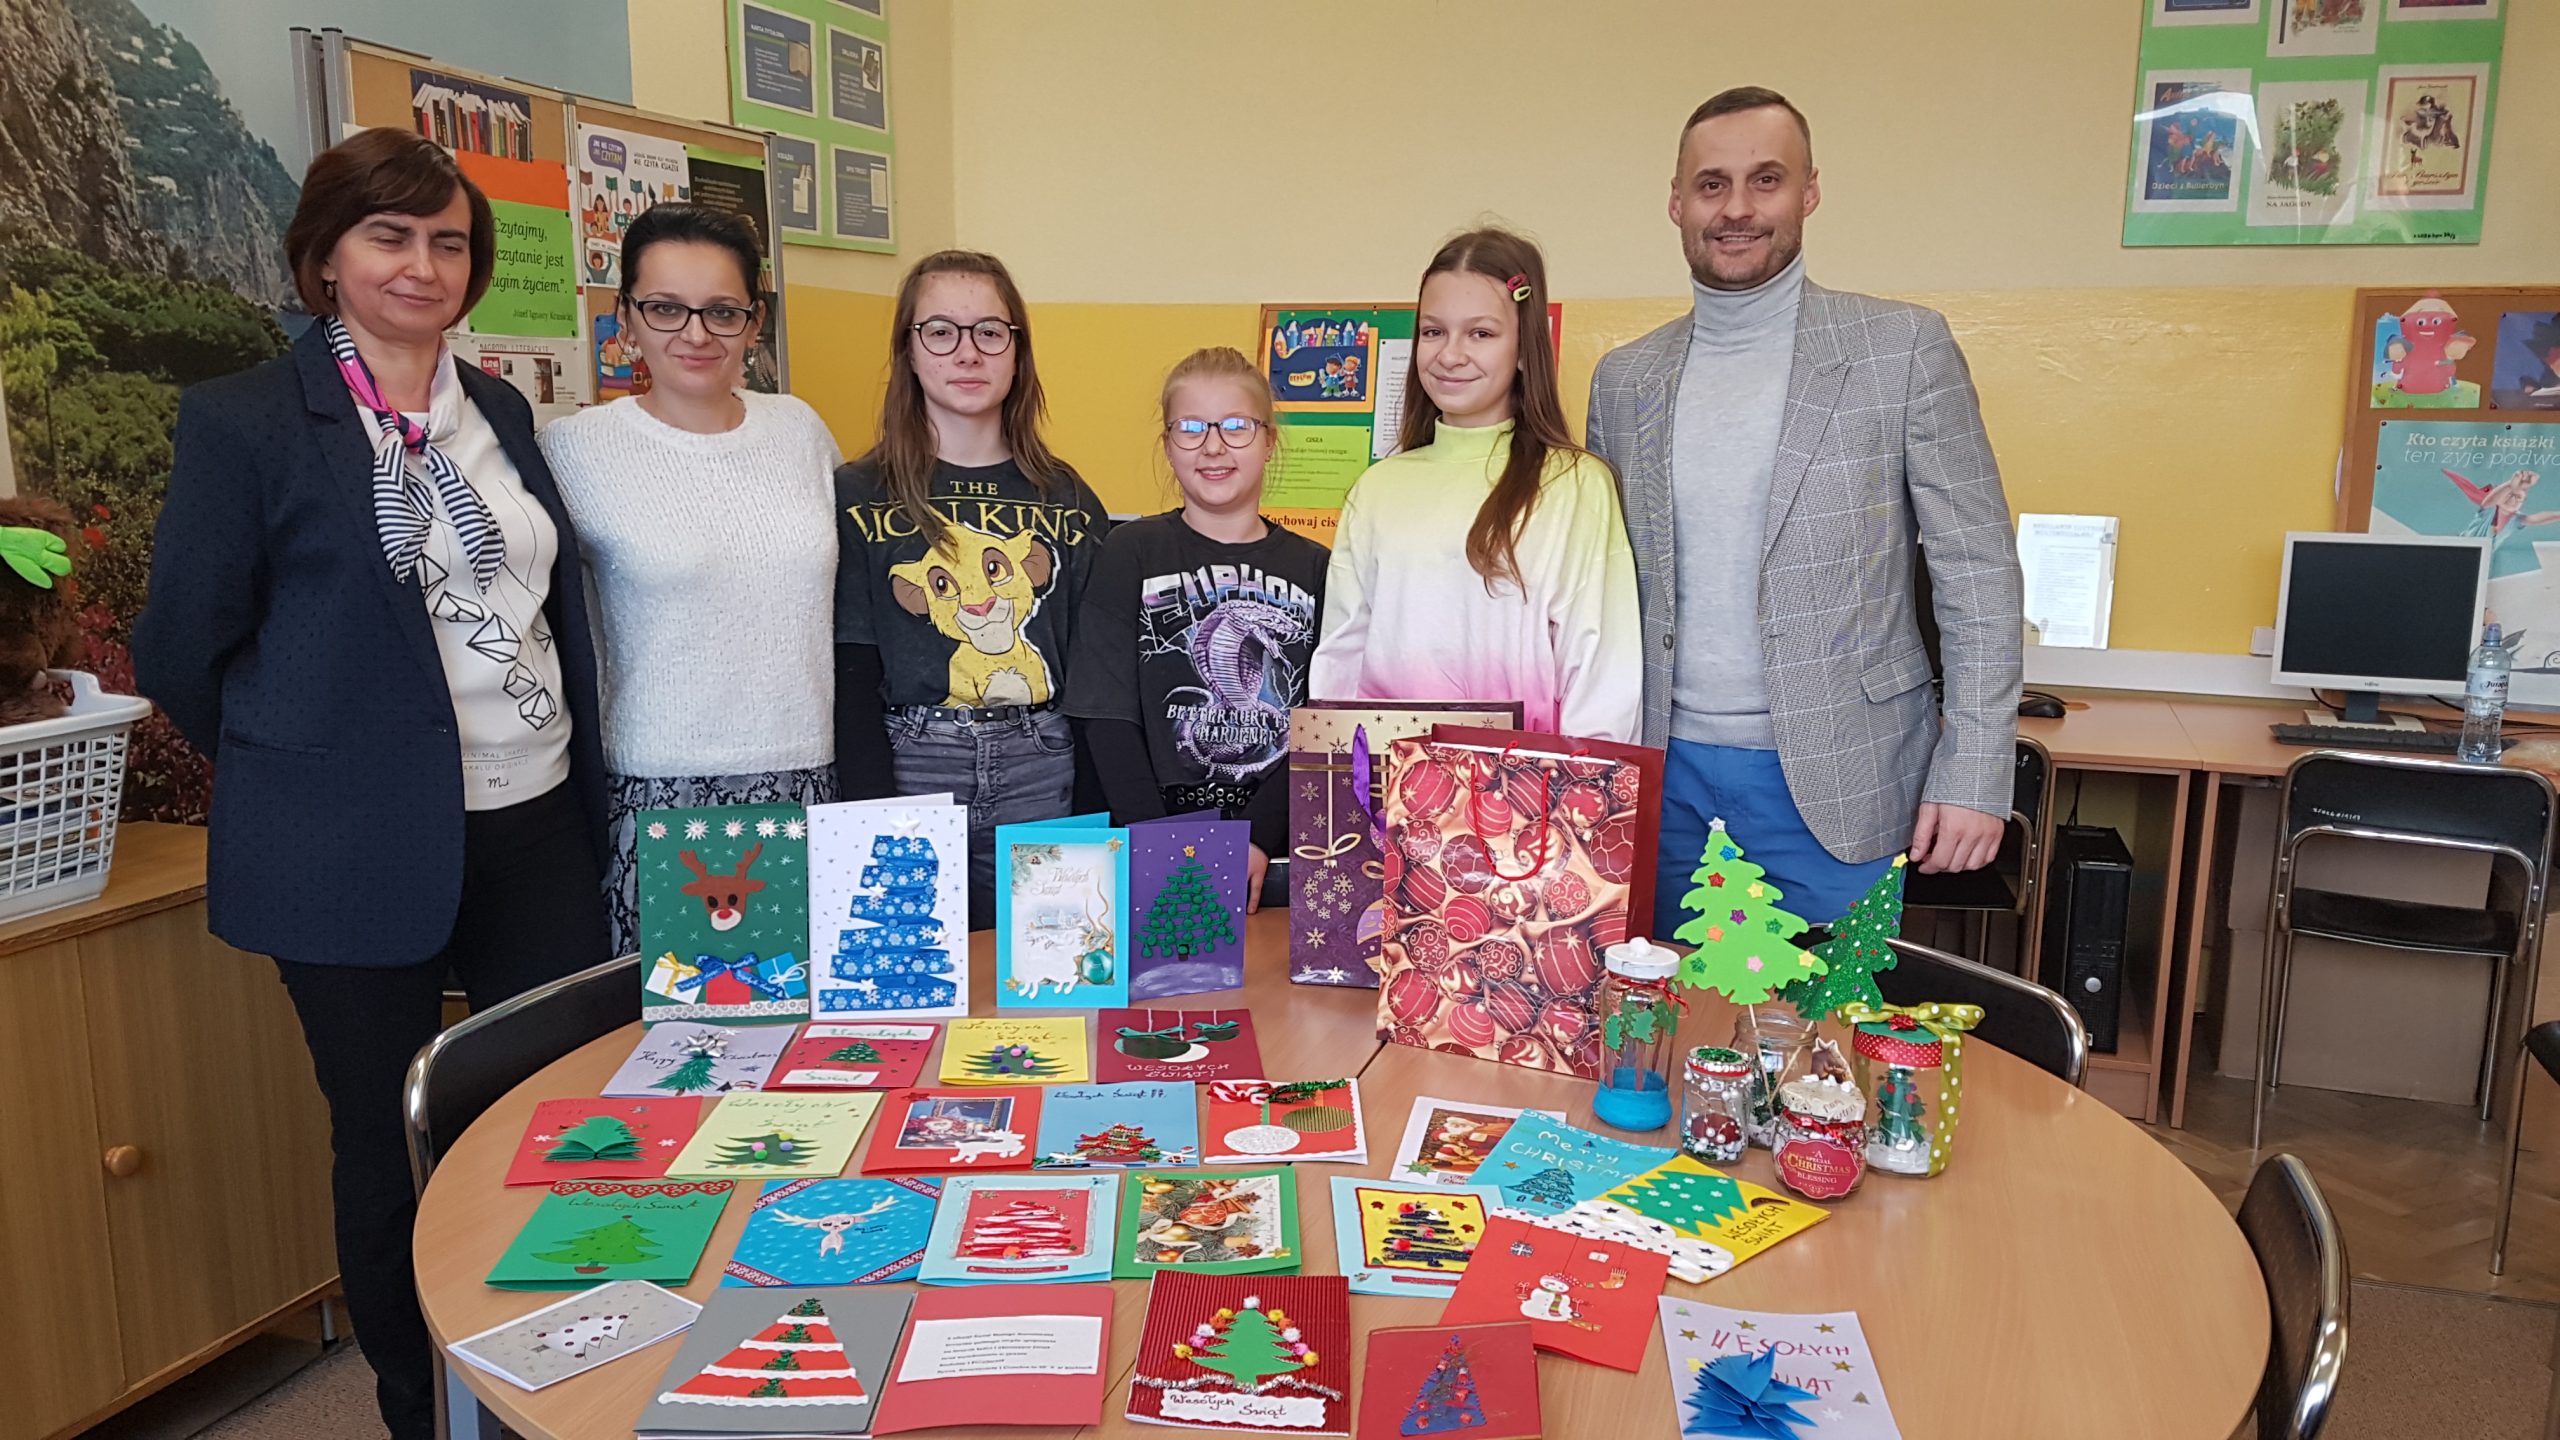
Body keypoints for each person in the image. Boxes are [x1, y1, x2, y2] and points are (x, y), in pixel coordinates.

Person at [131, 127, 612, 1440]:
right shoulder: (246, 421)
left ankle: (556, 1378)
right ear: (326, 256)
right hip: (346, 846)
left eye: (448, 242)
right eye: (389, 236)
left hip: (533, 821)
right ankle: (423, 1410)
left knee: (556, 1120)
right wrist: (309, 766)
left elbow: (532, 605)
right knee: (390, 1141)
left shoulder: (497, 411)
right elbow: (182, 645)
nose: (422, 265)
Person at [1584, 87, 2023, 938]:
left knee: (1823, 1024)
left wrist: (1975, 769)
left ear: (1809, 191)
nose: (1736, 209)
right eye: (1712, 185)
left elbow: (1978, 571)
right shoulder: (1624, 381)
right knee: (1659, 1016)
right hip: (1659, 782)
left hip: (1840, 779)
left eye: (1766, 179)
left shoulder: (1902, 349)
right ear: (1676, 203)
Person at [540, 203, 843, 953]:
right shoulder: (574, 450)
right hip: (660, 791)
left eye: (722, 311)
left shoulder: (800, 430)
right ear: (625, 317)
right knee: (688, 1020)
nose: (696, 334)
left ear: (755, 320)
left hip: (810, 778)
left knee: (812, 1018)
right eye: (666, 308)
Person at [834, 250, 1109, 929]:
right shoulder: (858, 492)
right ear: (909, 350)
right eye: (940, 331)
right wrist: (870, 812)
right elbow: (849, 666)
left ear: (1018, 351)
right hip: (911, 761)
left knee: (1052, 968)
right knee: (910, 972)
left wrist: (1094, 809)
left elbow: (1097, 671)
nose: (967, 352)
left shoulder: (1066, 496)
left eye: (990, 331)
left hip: (1043, 763)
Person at [1309, 226, 1641, 741]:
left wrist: (1581, 786)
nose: (1450, 354)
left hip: (1529, 782)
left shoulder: (1576, 484)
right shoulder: (1376, 489)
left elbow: (1602, 672)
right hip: (1388, 781)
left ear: (1525, 349)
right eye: (1433, 331)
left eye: (1481, 334)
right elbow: (1341, 658)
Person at [1065, 346, 1329, 909]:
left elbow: (1324, 719)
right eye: (1190, 427)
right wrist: (1160, 842)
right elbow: (1104, 713)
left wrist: (1260, 835)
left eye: (1236, 426)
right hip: (1151, 837)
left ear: (1268, 440)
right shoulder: (1128, 552)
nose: (1213, 445)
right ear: (1167, 444)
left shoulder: (1317, 567)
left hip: (1276, 848)